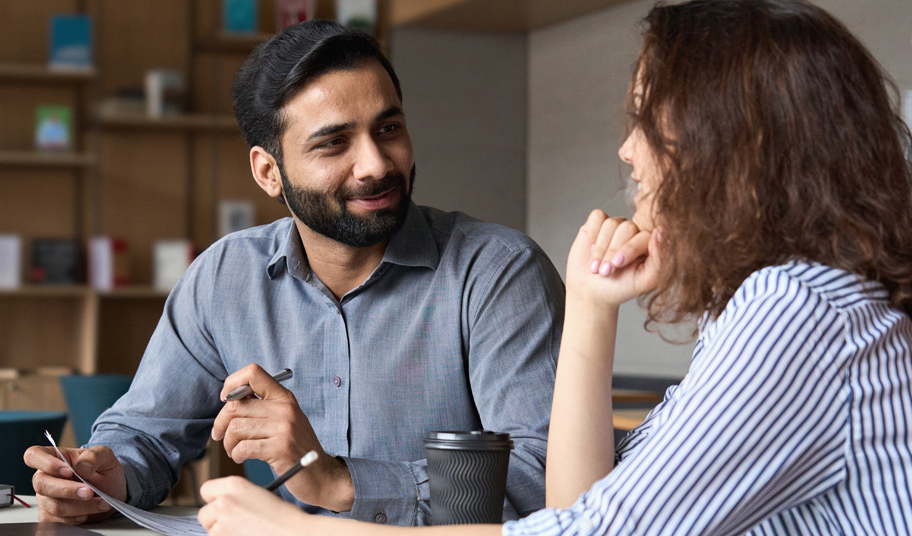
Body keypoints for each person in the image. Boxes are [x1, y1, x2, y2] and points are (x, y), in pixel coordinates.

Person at [194, 0, 912, 534]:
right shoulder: (781, 306)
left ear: (724, 141)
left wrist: (309, 528)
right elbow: (582, 508)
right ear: (269, 171)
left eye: (644, 122)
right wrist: (593, 309)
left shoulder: (799, 312)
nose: (627, 153)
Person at [23, 20, 564, 527]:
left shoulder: (498, 272)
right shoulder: (225, 277)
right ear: (268, 172)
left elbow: (551, 480)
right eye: (334, 143)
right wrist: (105, 474)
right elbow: (145, 430)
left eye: (389, 127)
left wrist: (340, 482)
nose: (376, 163)